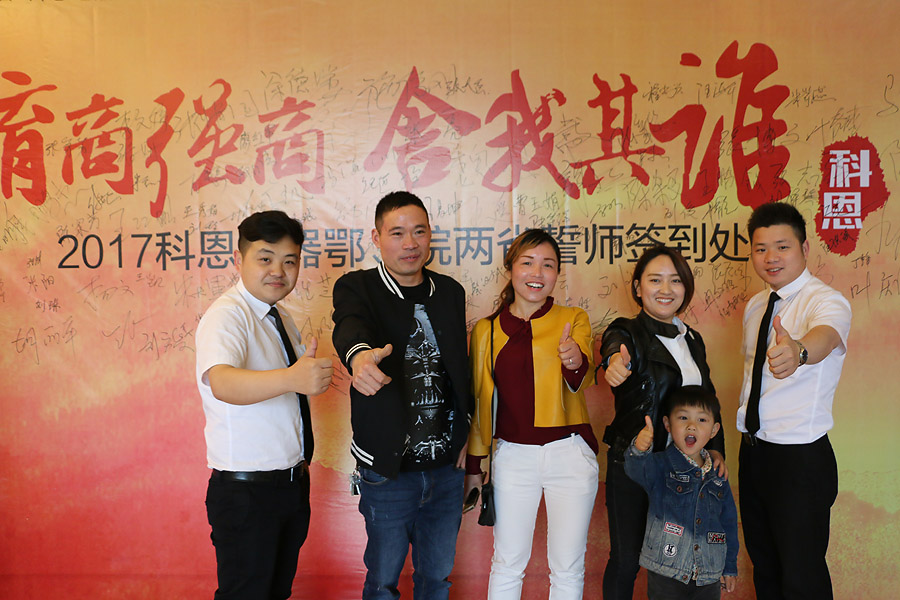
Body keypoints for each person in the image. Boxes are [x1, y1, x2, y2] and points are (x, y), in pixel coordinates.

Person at [331, 191, 471, 600]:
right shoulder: (358, 287)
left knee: (437, 579)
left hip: (447, 469)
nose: (410, 243)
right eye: (397, 233)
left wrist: (467, 432)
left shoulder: (450, 291)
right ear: (376, 238)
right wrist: (359, 357)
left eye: (419, 232)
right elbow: (349, 326)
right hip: (388, 470)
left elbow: (458, 371)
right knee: (383, 582)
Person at [195, 210, 334, 600]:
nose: (278, 271)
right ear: (238, 259)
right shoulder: (228, 315)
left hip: (288, 486)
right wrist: (293, 378)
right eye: (265, 258)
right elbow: (222, 382)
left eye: (289, 261)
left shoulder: (279, 317)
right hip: (248, 494)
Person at [465, 229, 599, 600]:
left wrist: (573, 359)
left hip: (569, 453)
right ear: (510, 269)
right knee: (507, 563)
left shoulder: (574, 318)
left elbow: (585, 375)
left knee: (568, 568)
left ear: (557, 273)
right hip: (512, 456)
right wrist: (475, 466)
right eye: (527, 262)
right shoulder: (487, 330)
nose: (537, 273)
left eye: (548, 265)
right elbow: (480, 402)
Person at [598, 245, 727, 600]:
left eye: (675, 281)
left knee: (682, 560)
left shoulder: (693, 339)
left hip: (685, 471)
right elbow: (613, 348)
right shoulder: (627, 331)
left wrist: (716, 449)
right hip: (636, 464)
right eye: (655, 280)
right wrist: (614, 363)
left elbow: (707, 399)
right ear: (638, 287)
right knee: (626, 560)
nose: (666, 289)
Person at [737, 202, 851, 600]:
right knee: (765, 568)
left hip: (799, 458)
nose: (771, 257)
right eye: (761, 248)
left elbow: (825, 336)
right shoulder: (756, 306)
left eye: (782, 247)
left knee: (802, 577)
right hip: (753, 452)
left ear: (804, 248)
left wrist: (799, 351)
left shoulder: (827, 301)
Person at [625, 386, 738, 599]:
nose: (691, 426)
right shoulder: (660, 465)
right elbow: (636, 470)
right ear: (668, 424)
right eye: (683, 418)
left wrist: (729, 566)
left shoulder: (718, 474)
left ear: (714, 430)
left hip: (708, 574)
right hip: (667, 570)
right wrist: (639, 449)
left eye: (702, 420)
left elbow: (729, 523)